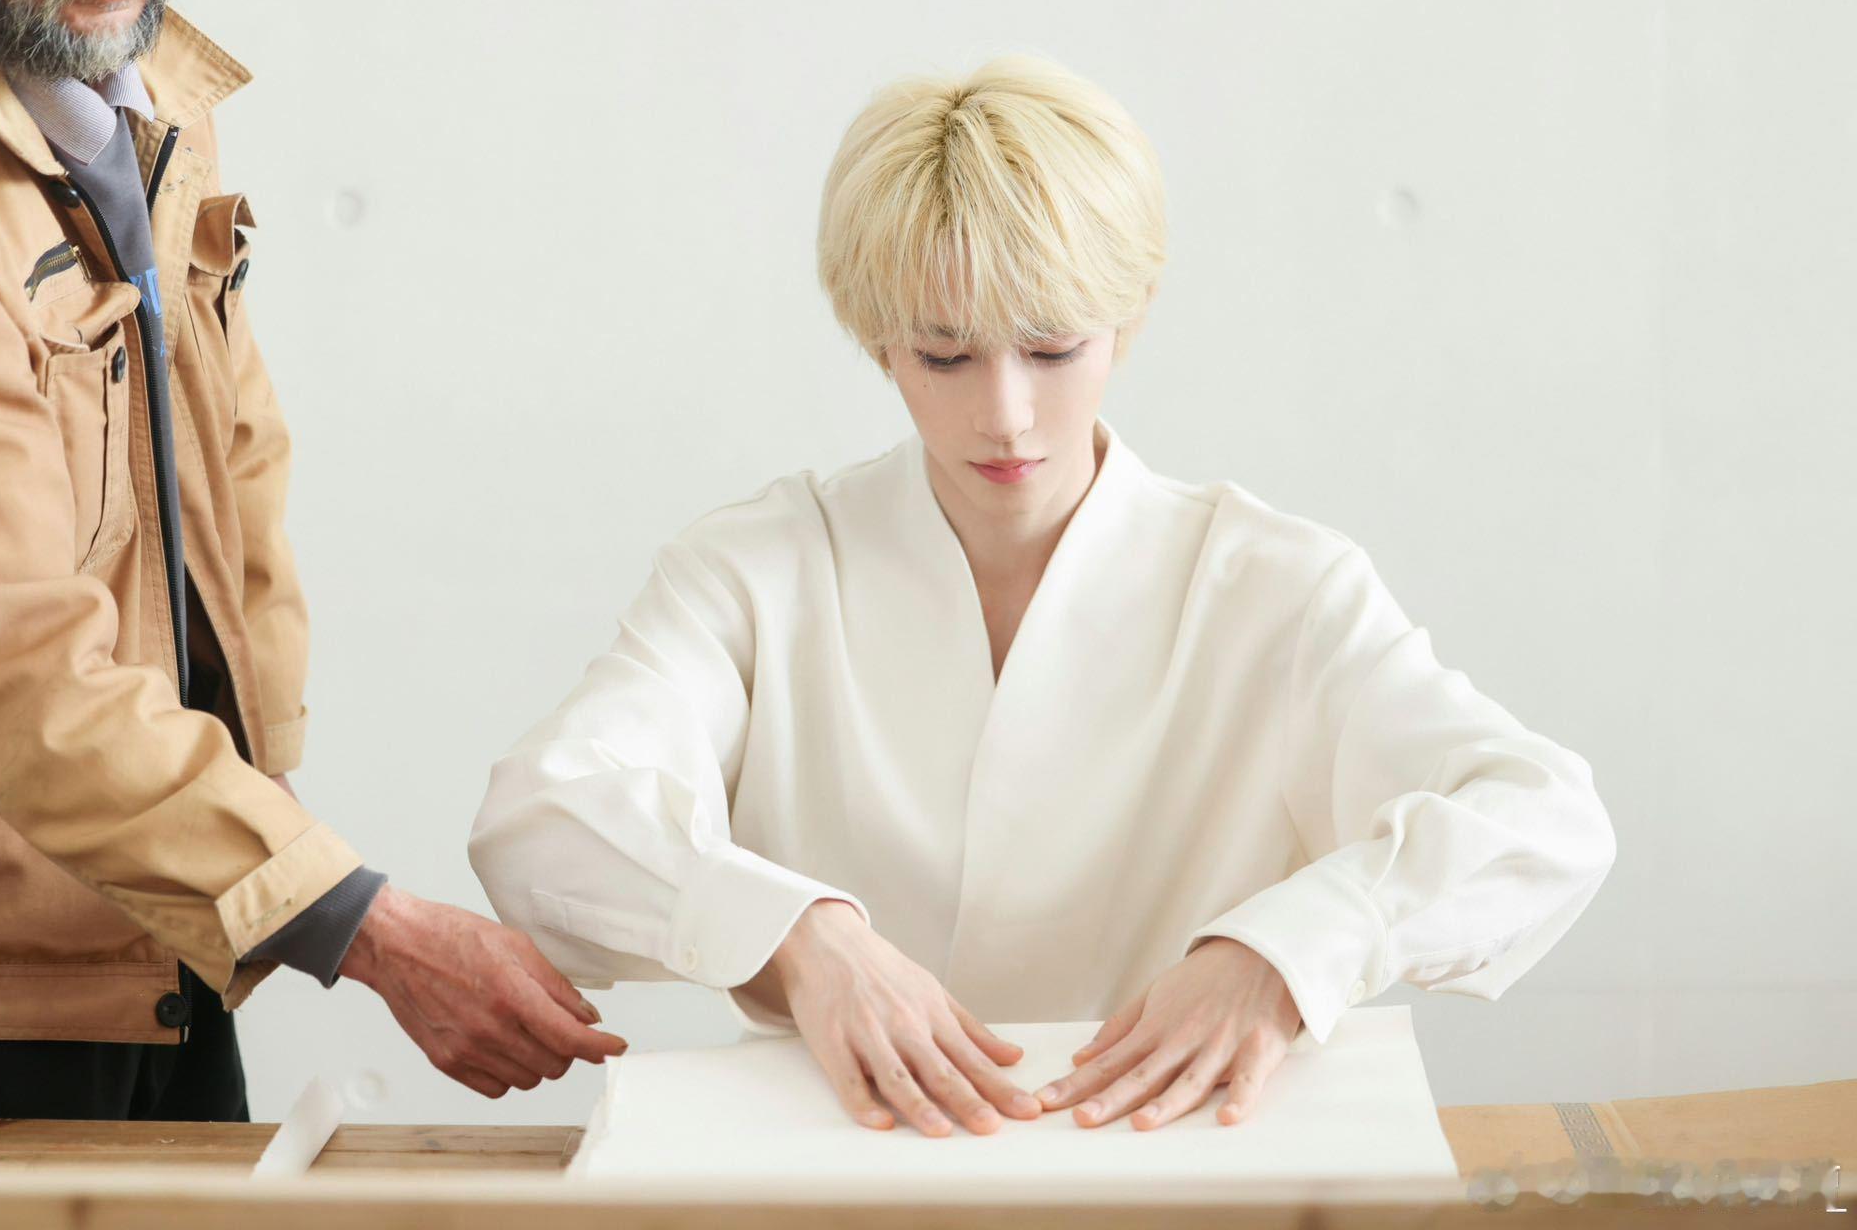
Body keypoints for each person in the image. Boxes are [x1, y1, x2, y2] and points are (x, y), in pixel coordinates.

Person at [469, 56, 1615, 1138]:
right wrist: (800, 938)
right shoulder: (759, 569)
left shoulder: (1274, 585)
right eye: (945, 356)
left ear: (1131, 315)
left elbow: (1545, 816)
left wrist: (1290, 949)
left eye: (1054, 349)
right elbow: (542, 818)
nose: (1005, 415)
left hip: (1176, 1161)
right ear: (878, 342)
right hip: (837, 1161)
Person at [0, 0, 624, 1121]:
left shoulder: (155, 97)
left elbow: (232, 457)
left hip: (168, 927)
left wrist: (266, 817)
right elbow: (9, 659)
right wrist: (363, 923)